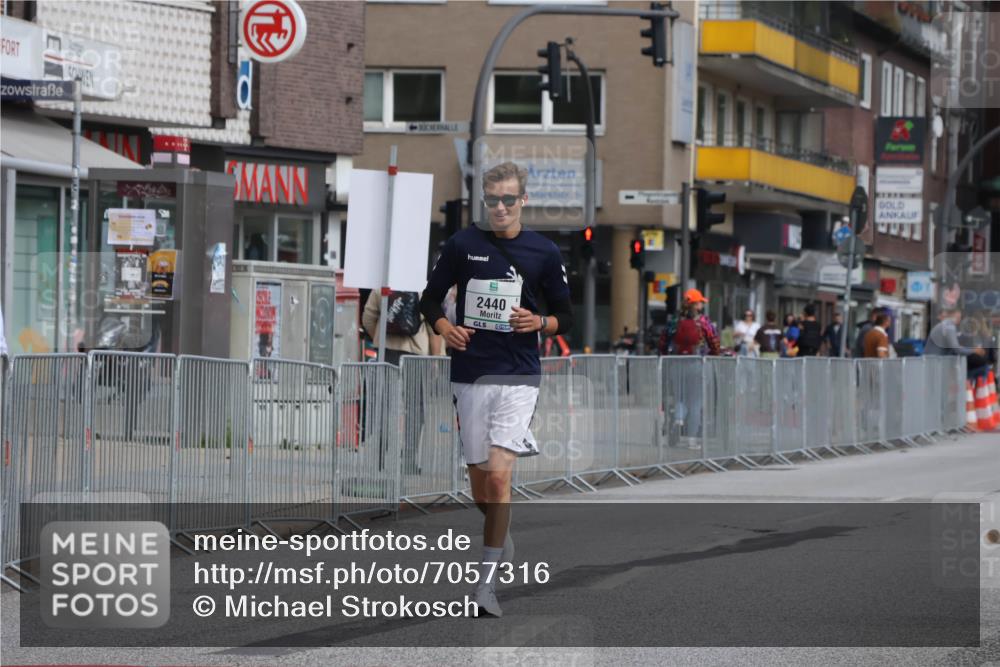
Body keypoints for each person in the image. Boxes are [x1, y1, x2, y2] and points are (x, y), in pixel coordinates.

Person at [418, 161, 573, 617]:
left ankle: (483, 589)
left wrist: (540, 322)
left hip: (519, 373)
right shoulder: (462, 244)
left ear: (523, 200)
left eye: (509, 199)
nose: (500, 208)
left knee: (501, 477)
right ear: (483, 201)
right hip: (471, 372)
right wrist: (445, 326)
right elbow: (430, 298)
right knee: (483, 491)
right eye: (492, 200)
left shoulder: (543, 252)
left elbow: (567, 315)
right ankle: (499, 530)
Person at [362, 290, 441, 365]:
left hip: (386, 351)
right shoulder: (424, 290)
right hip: (417, 352)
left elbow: (368, 319)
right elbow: (434, 328)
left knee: (386, 379)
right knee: (414, 379)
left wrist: (380, 339)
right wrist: (435, 359)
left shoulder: (382, 286)